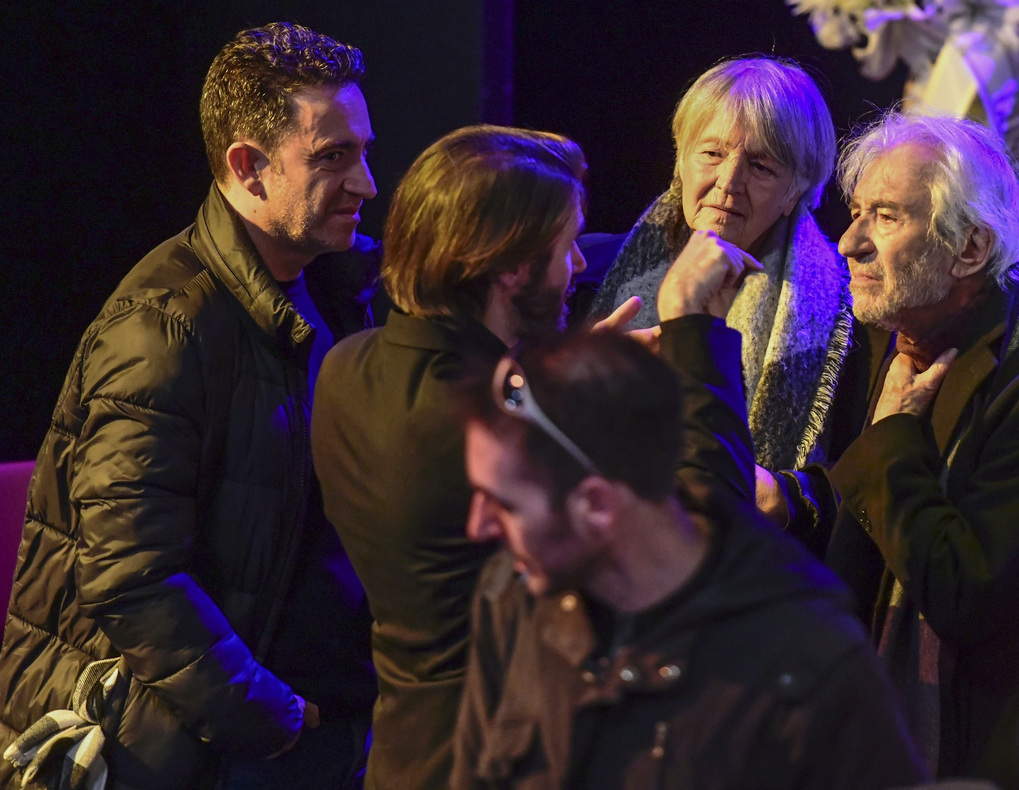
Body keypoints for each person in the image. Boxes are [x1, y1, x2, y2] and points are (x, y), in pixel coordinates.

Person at [0, 22, 380, 790]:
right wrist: (273, 719)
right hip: (195, 748)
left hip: (306, 730)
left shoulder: (335, 291)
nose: (367, 183)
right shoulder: (163, 329)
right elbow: (130, 579)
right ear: (248, 167)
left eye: (364, 151)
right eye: (334, 156)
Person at [451, 234, 928, 790]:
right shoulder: (512, 595)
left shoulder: (810, 666)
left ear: (598, 508)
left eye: (505, 503)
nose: (477, 525)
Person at [758, 111, 1019, 788]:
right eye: (856, 211)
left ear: (970, 249)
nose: (848, 242)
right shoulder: (899, 342)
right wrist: (791, 500)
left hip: (1010, 769)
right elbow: (865, 510)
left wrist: (896, 435)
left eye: (886, 216)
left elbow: (961, 590)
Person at [311, 125, 640, 790]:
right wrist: (699, 338)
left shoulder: (346, 368)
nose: (578, 264)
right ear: (510, 266)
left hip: (404, 754)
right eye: (565, 244)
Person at [586, 55, 852, 472]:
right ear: (680, 161)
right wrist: (577, 379)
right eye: (711, 153)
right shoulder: (587, 271)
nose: (728, 182)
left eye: (760, 166)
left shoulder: (848, 308)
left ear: (796, 191)